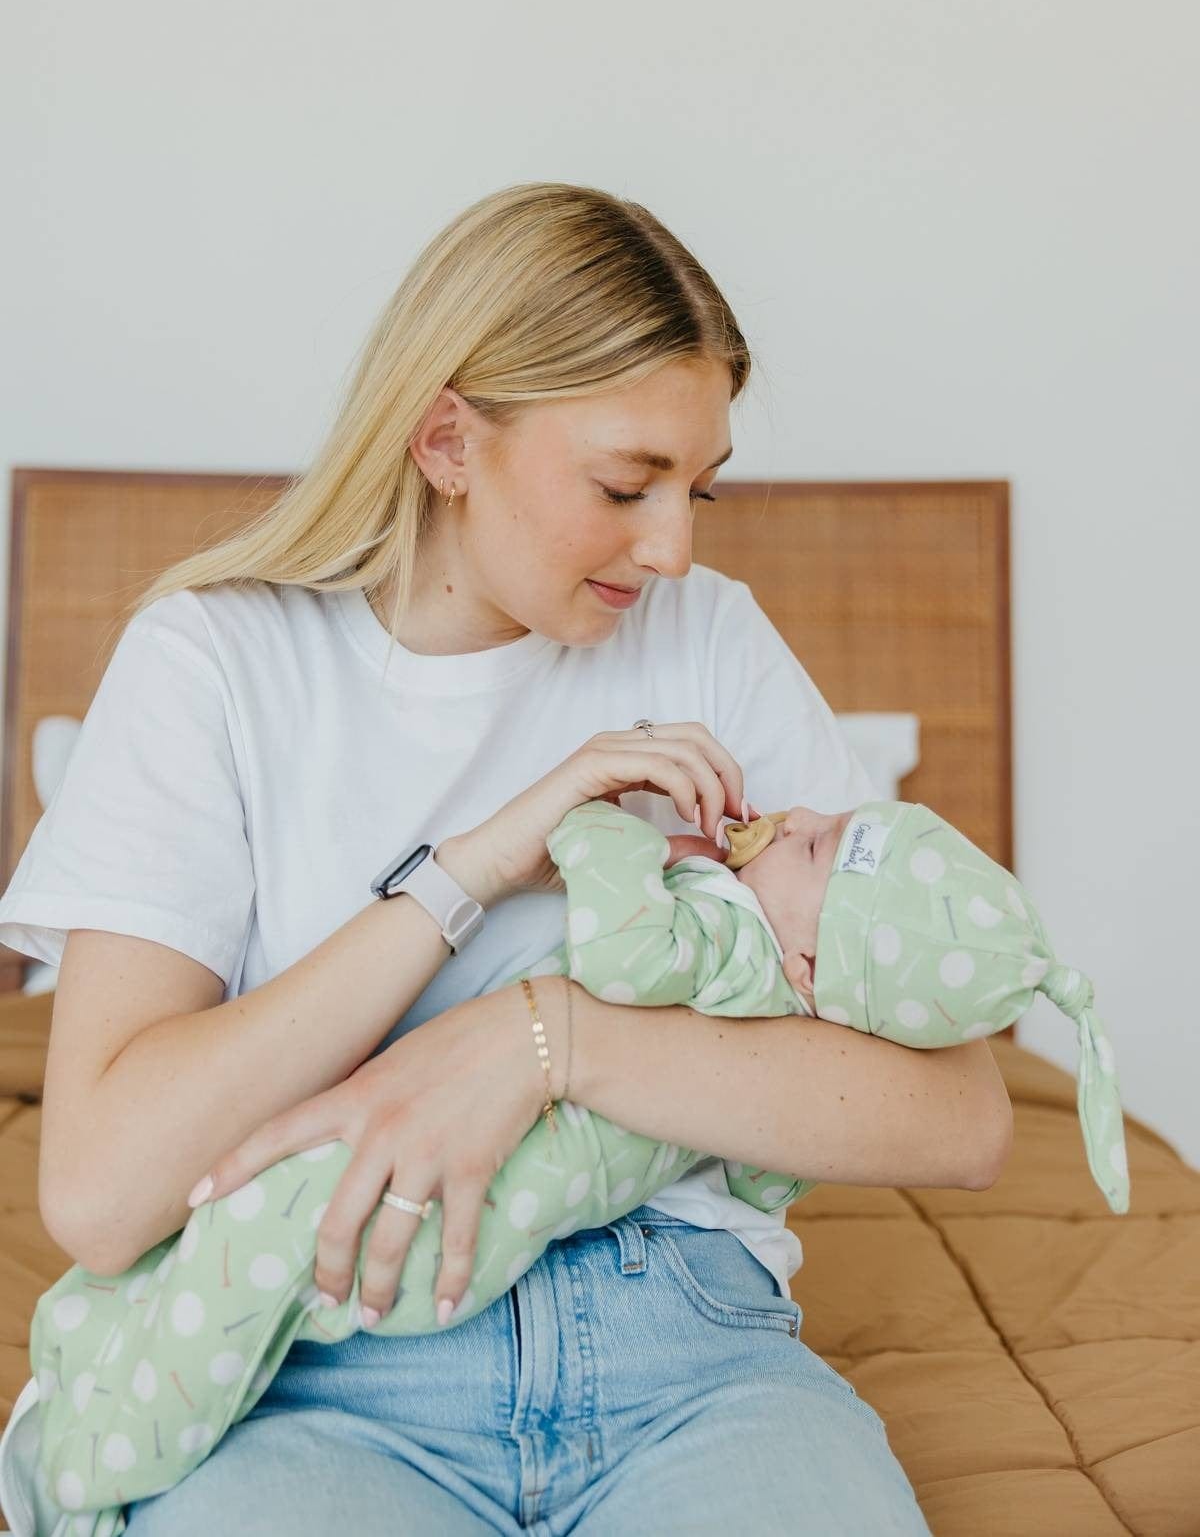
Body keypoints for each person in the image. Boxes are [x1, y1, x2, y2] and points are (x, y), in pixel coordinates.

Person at [0, 183, 1011, 1535]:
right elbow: (101, 1192)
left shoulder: (709, 638)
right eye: (625, 485)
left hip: (688, 1349)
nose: (674, 548)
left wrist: (547, 1039)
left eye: (697, 488)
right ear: (447, 439)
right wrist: (466, 871)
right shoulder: (215, 662)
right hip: (328, 1359)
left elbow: (965, 1117)